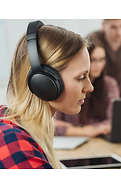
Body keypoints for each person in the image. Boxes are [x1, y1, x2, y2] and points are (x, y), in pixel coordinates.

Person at [0, 21, 94, 168]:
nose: (90, 87)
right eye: (81, 77)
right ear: (44, 82)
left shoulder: (9, 119)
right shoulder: (16, 146)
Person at [54, 43, 120, 137]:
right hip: (71, 142)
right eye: (93, 60)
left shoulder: (110, 84)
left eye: (102, 60)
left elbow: (114, 123)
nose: (98, 65)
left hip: (99, 141)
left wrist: (74, 130)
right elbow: (53, 125)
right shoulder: (68, 83)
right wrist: (90, 131)